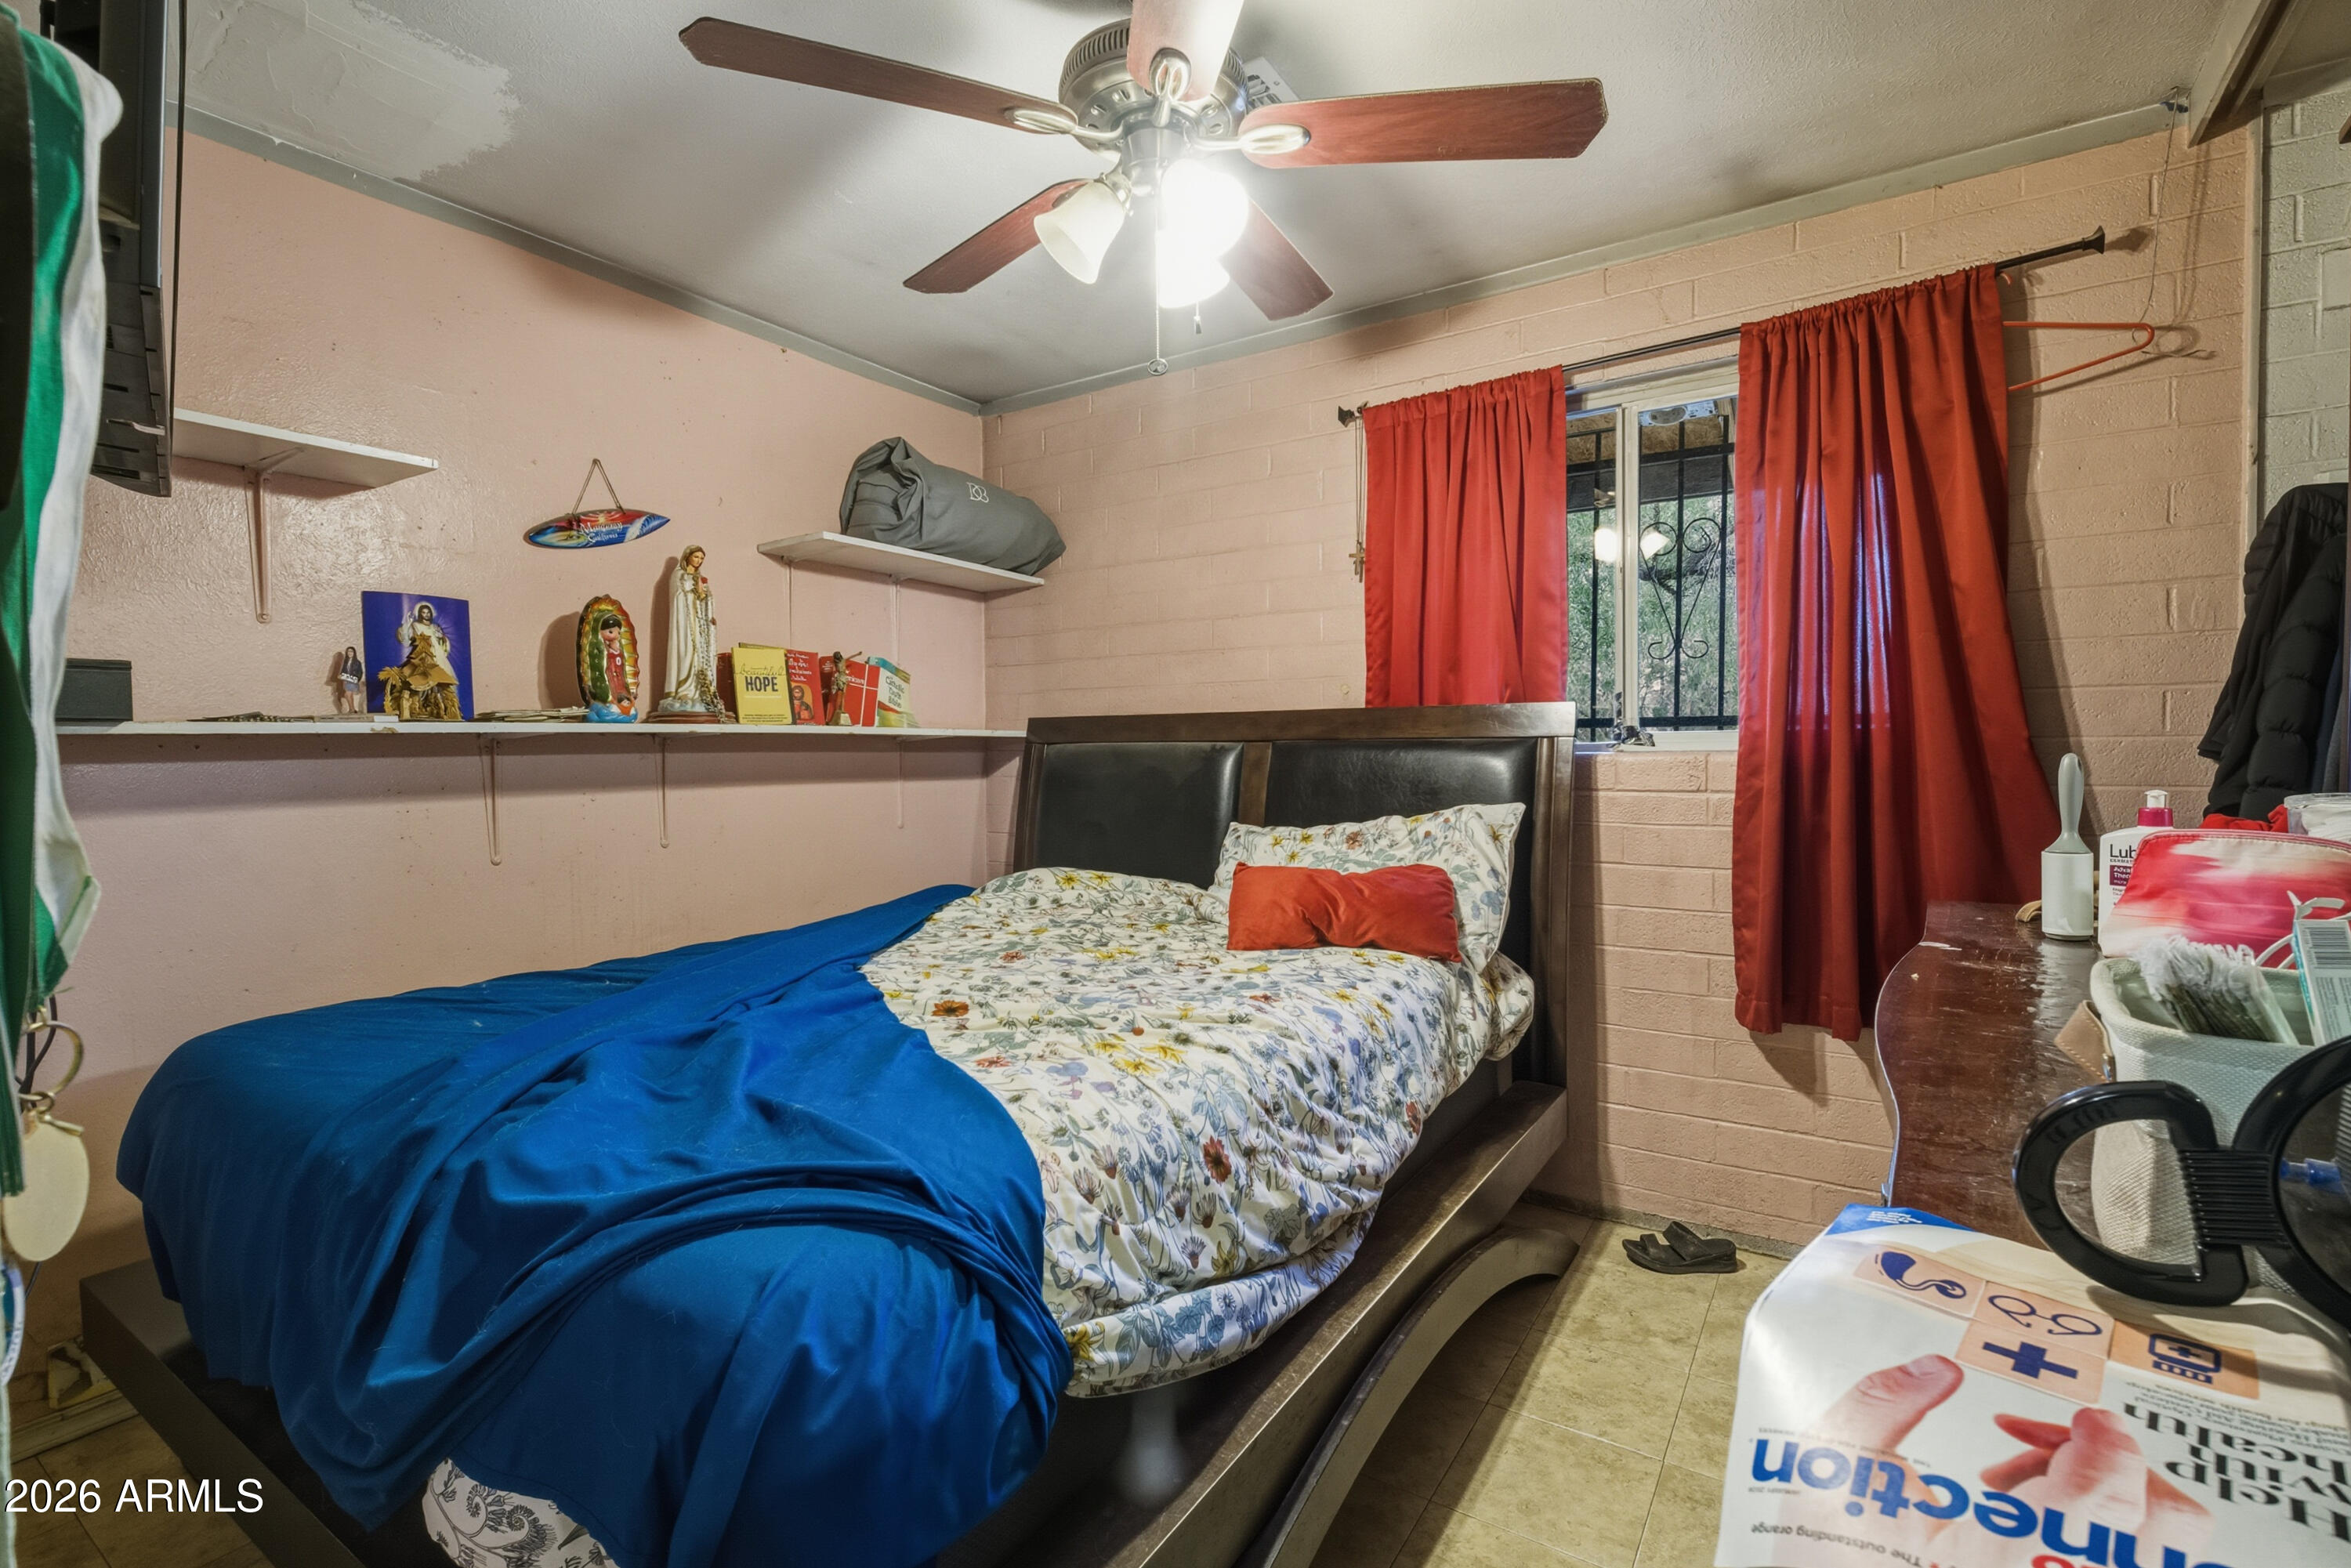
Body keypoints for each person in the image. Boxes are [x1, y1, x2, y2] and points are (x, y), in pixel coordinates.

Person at [657, 546, 720, 716]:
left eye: (701, 558)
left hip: (700, 623)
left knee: (700, 656)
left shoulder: (700, 578)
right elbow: (678, 597)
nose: (699, 561)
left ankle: (700, 692)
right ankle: (683, 690)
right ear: (688, 557)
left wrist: (707, 604)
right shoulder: (678, 575)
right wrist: (693, 592)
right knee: (687, 654)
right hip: (686, 623)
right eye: (696, 557)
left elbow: (708, 598)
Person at [379, 601, 462, 720]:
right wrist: (407, 623)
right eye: (423, 612)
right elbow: (406, 638)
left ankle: (444, 707)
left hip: (438, 655)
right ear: (420, 614)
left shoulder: (435, 627)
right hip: (423, 656)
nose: (426, 615)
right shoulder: (416, 626)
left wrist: (442, 638)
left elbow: (443, 643)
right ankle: (419, 706)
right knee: (420, 679)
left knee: (443, 679)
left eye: (428, 612)